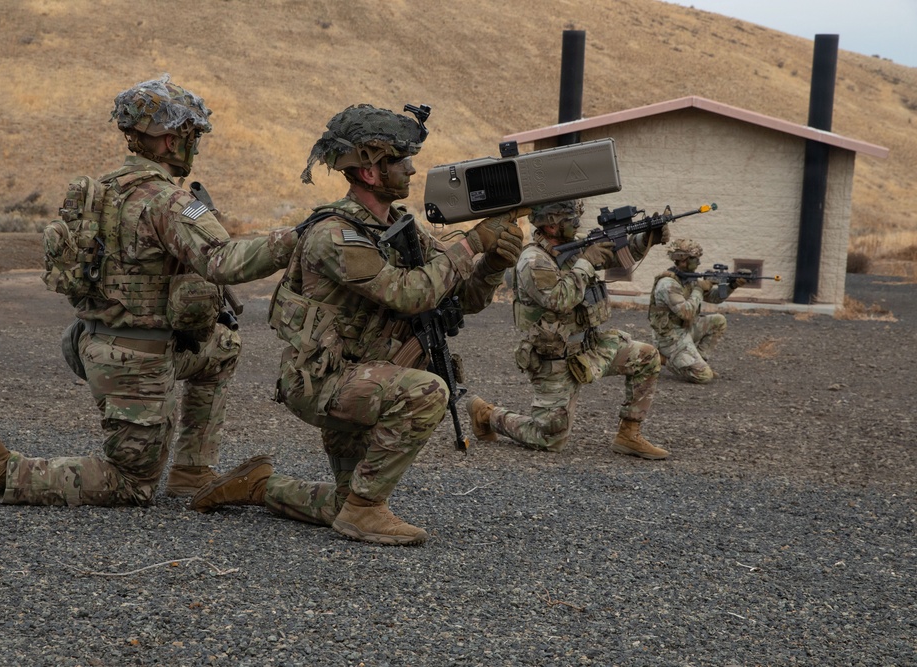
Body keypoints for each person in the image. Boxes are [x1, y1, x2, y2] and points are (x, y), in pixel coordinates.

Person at [0, 74, 298, 507]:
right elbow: (224, 260)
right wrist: (292, 239)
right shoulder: (170, 201)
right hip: (137, 363)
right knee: (130, 484)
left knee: (223, 346)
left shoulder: (101, 191)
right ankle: (1, 467)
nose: (195, 145)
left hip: (93, 344)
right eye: (192, 134)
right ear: (172, 140)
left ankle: (192, 470)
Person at [188, 103, 526, 546]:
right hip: (325, 383)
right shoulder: (336, 234)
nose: (410, 169)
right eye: (400, 161)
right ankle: (366, 513)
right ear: (369, 171)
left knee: (338, 503)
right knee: (427, 392)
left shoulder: (401, 230)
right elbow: (410, 293)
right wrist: (472, 242)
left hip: (366, 376)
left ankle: (259, 486)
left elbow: (460, 300)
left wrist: (493, 263)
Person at [466, 199, 670, 459]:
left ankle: (629, 434)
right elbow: (559, 299)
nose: (576, 222)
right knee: (549, 440)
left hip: (592, 347)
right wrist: (585, 262)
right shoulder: (532, 260)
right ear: (551, 225)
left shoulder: (575, 247)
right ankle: (487, 415)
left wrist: (646, 238)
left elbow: (619, 255)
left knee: (647, 356)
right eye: (570, 218)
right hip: (555, 359)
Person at [648, 239, 747, 383]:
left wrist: (732, 285)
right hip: (670, 337)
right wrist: (700, 288)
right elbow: (686, 312)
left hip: (686, 329)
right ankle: (661, 359)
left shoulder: (689, 279)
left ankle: (698, 361)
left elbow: (714, 299)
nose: (698, 263)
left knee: (718, 321)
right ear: (682, 260)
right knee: (704, 376)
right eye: (695, 259)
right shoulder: (667, 284)